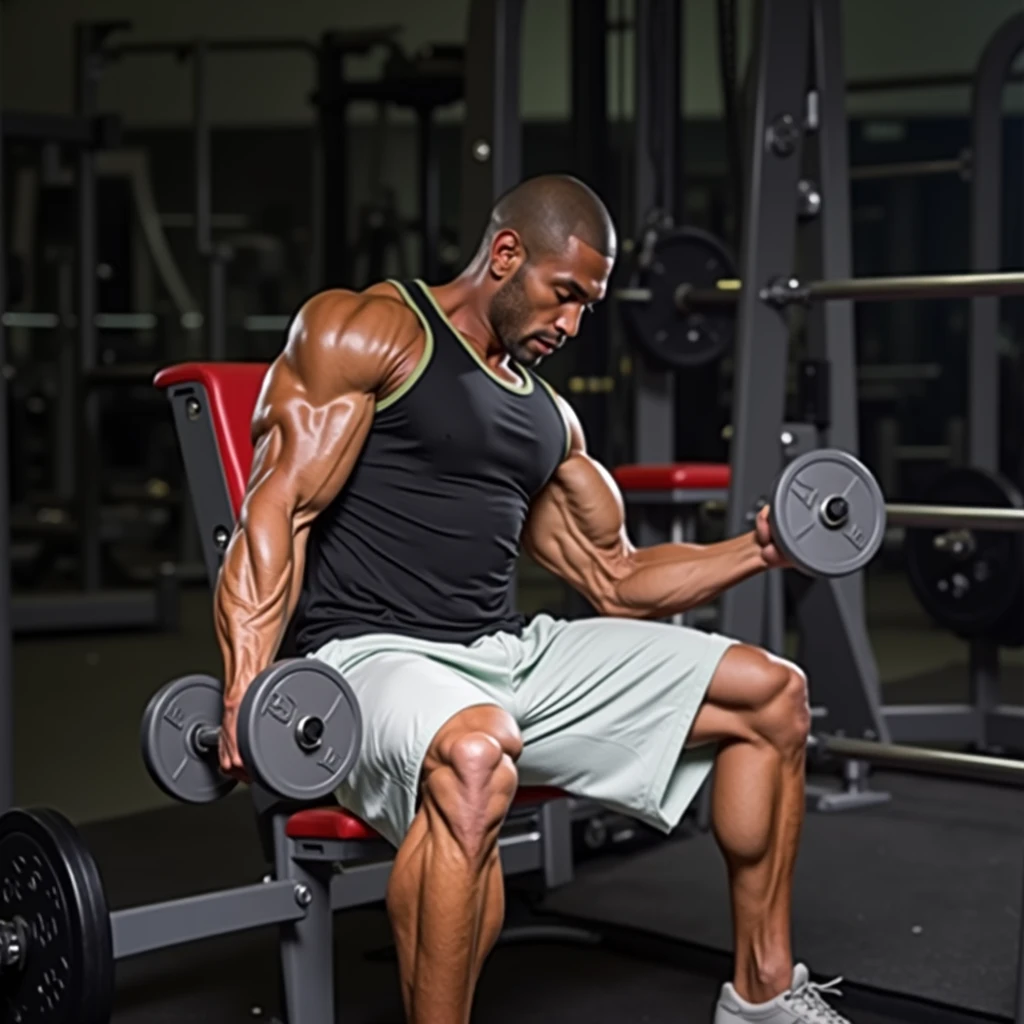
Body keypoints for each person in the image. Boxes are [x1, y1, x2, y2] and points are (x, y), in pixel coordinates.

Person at [213, 174, 848, 1024]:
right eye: (565, 296)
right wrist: (246, 688)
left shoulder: (550, 419)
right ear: (506, 255)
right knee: (476, 754)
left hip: (505, 662)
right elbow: (278, 510)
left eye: (590, 304)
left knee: (773, 694)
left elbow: (616, 579)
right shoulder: (373, 330)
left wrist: (760, 550)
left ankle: (764, 999)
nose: (573, 324)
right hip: (369, 661)